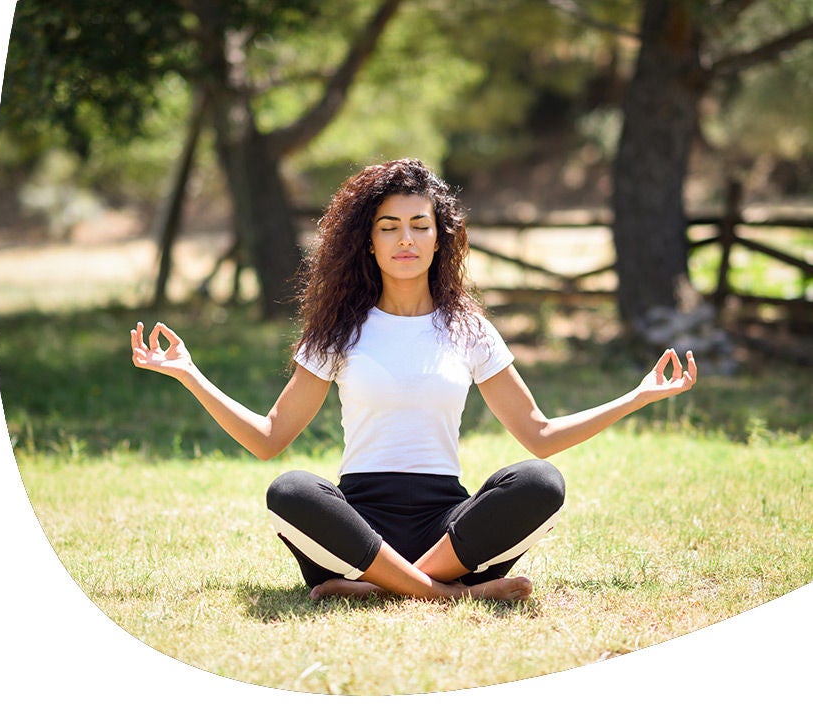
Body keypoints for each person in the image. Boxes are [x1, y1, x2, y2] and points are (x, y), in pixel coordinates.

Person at [130, 158, 697, 603]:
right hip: (358, 527)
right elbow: (268, 438)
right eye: (390, 227)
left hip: (447, 529)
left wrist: (640, 395)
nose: (406, 239)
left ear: (439, 237)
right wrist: (189, 373)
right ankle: (442, 596)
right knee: (291, 491)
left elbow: (539, 434)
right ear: (369, 242)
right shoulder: (337, 331)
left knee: (541, 481)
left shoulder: (470, 329)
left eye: (419, 226)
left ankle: (386, 589)